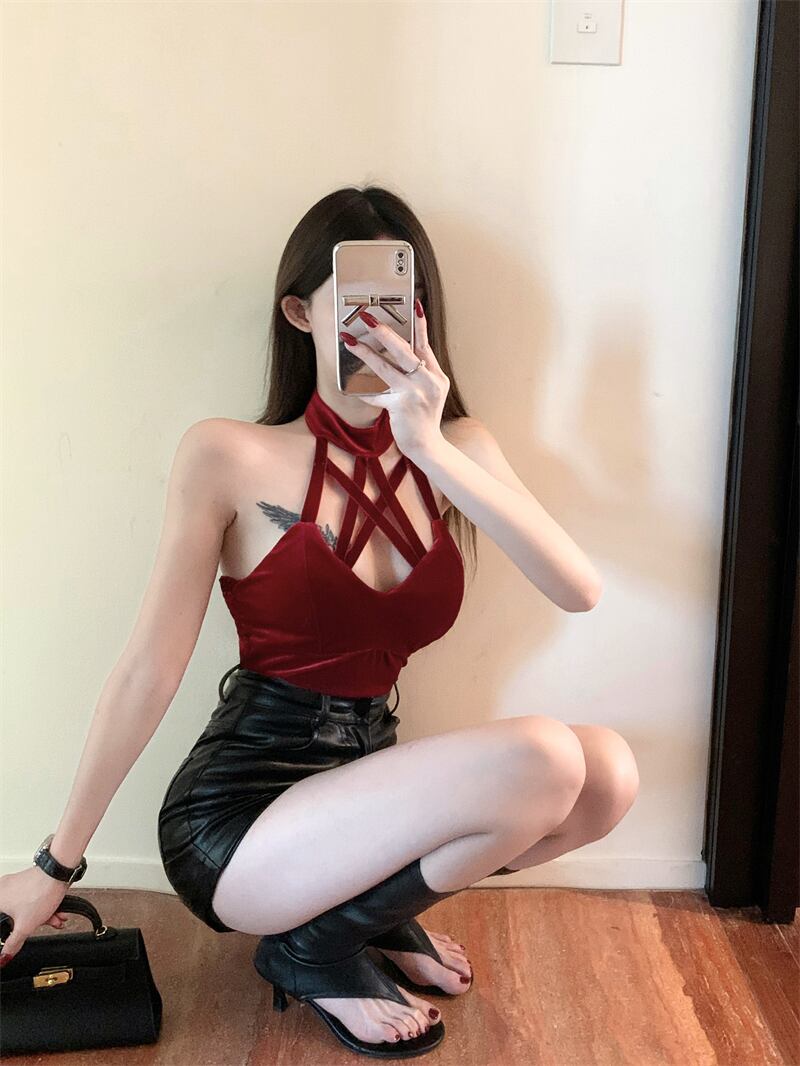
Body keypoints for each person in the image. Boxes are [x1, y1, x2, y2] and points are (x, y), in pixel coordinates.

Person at [0, 185, 638, 1057]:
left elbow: (578, 590)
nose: (386, 323)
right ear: (300, 312)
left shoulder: (459, 449)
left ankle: (352, 920)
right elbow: (150, 668)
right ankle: (314, 949)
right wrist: (55, 865)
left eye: (404, 297)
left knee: (606, 778)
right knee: (547, 758)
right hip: (241, 823)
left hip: (367, 795)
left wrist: (428, 445)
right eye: (359, 298)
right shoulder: (227, 454)